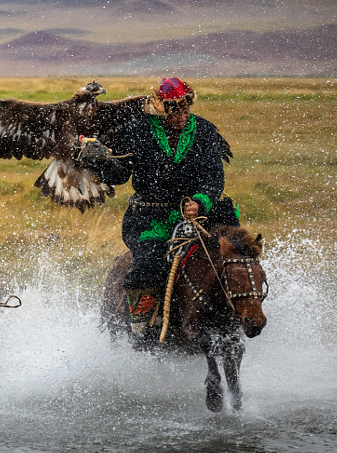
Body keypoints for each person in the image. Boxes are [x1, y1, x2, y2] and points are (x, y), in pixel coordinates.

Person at [76, 77, 237, 335]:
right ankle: (143, 326)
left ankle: (240, 310)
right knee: (149, 263)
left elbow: (214, 177)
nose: (181, 116)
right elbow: (119, 174)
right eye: (174, 111)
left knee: (236, 253)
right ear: (161, 108)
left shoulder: (205, 132)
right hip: (150, 216)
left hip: (202, 214)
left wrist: (200, 201)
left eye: (185, 110)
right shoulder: (138, 131)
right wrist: (100, 161)